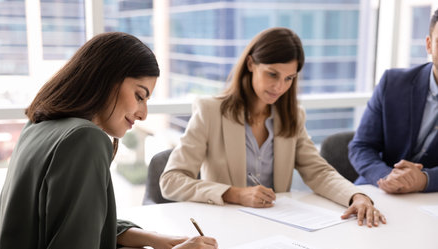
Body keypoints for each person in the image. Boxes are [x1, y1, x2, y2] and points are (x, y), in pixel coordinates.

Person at [0, 32, 218, 249]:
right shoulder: (84, 139)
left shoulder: (41, 125)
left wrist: (152, 238)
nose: (143, 114)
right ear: (107, 79)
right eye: (140, 96)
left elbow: (66, 225)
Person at [160, 27, 386, 227]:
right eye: (272, 74)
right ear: (251, 64)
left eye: (289, 78)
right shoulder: (211, 111)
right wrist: (234, 194)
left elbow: (318, 172)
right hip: (225, 226)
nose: (279, 86)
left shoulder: (292, 116)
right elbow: (171, 181)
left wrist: (357, 196)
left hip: (276, 226)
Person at [348, 10, 438, 194]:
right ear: (429, 45)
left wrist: (425, 180)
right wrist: (387, 176)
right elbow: (361, 146)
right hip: (379, 191)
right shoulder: (393, 82)